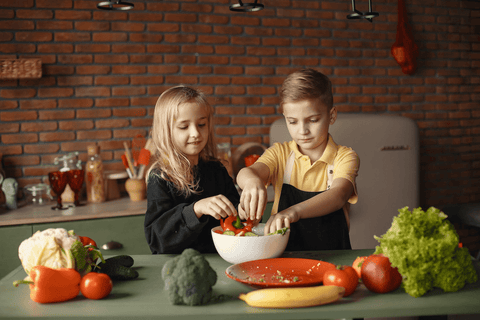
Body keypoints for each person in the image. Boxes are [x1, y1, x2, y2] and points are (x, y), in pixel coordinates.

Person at [236, 68, 360, 251]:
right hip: (283, 256)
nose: (302, 131)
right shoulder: (280, 154)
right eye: (293, 122)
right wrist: (252, 182)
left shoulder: (345, 156)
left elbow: (338, 195)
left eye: (313, 120)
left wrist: (293, 212)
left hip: (333, 259)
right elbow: (248, 172)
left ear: (331, 115)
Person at [144, 85, 240, 254]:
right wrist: (196, 209)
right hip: (179, 268)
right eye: (184, 127)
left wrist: (247, 207)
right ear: (166, 131)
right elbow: (157, 240)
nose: (195, 133)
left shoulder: (217, 169)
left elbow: (238, 220)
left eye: (201, 124)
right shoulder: (160, 177)